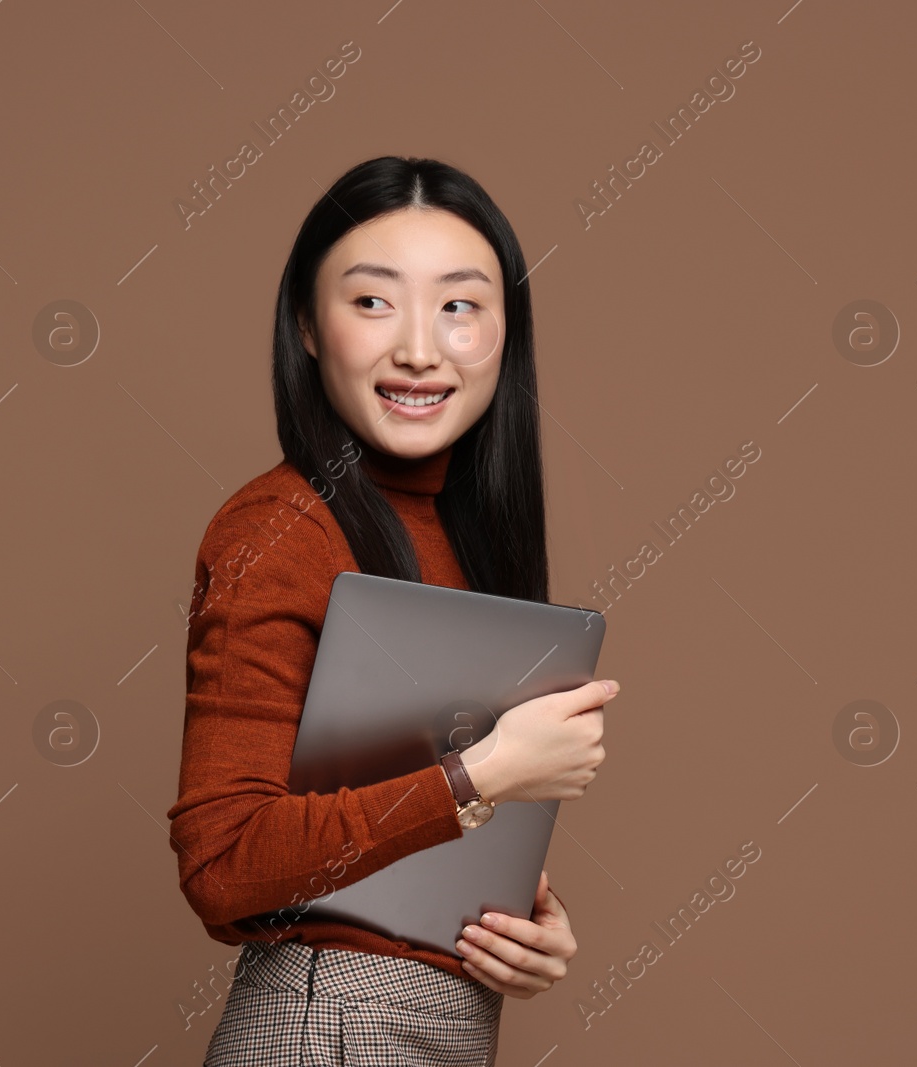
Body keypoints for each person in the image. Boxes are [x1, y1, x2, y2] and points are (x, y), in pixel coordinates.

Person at [167, 155, 621, 1066]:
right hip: (329, 1028)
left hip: (433, 1031)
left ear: (506, 333)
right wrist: (480, 775)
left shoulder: (463, 536)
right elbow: (224, 861)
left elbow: (380, 828)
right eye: (373, 301)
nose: (420, 348)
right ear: (306, 323)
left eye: (460, 305)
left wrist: (515, 926)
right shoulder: (278, 530)